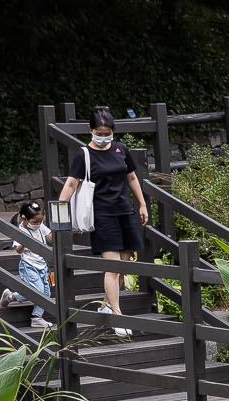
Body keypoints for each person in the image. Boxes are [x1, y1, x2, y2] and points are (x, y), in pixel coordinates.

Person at [58, 107, 150, 328]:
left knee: (124, 266)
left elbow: (132, 177)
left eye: (107, 132)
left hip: (124, 211)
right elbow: (71, 183)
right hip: (102, 215)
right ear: (90, 130)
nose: (103, 136)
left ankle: (106, 306)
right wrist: (59, 210)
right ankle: (117, 316)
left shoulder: (121, 149)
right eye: (99, 133)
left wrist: (142, 204)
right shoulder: (84, 155)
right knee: (113, 266)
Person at [13, 199, 52, 329]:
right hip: (29, 265)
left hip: (42, 265)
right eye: (35, 222)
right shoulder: (21, 231)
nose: (38, 224)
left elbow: (49, 238)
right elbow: (18, 249)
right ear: (24, 219)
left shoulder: (40, 226)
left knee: (46, 293)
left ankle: (11, 296)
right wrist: (25, 241)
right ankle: (36, 318)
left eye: (41, 221)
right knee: (38, 291)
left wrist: (57, 230)